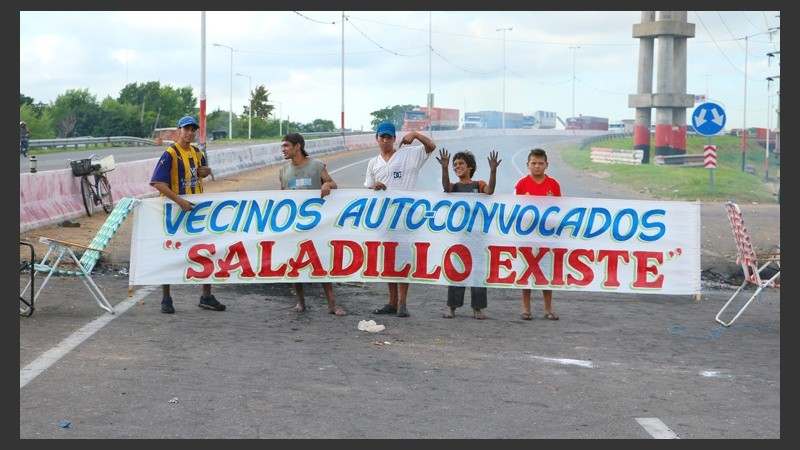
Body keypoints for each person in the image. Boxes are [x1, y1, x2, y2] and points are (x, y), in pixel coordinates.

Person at [149, 115, 226, 314]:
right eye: (187, 129)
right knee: (170, 251)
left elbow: (202, 173)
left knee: (205, 250)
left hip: (195, 210)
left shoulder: (197, 152)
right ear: (179, 131)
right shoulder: (170, 154)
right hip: (175, 211)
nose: (190, 133)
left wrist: (206, 171)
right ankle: (166, 297)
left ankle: (206, 295)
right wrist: (179, 200)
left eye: (193, 130)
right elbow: (157, 183)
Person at [364, 121, 436, 318]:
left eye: (389, 137)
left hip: (406, 217)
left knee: (404, 258)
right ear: (377, 139)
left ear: (394, 139)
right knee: (388, 259)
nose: (385, 140)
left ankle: (403, 303)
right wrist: (375, 187)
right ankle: (392, 301)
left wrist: (415, 134)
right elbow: (368, 188)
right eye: (382, 137)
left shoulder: (409, 155)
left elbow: (431, 147)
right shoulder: (374, 163)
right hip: (384, 218)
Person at [278, 132, 346, 316]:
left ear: (297, 146)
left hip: (317, 225)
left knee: (321, 262)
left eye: (286, 146)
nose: (283, 150)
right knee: (295, 263)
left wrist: (327, 185)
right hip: (294, 225)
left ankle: (332, 304)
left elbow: (333, 183)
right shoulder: (283, 171)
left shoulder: (317, 165)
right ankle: (300, 302)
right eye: (282, 146)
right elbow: (282, 197)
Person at [437, 148, 500, 320]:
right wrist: (444, 168)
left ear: (470, 167)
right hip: (460, 236)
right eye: (455, 164)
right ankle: (452, 306)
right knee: (457, 270)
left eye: (461, 163)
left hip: (478, 237)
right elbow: (445, 187)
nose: (457, 166)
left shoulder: (478, 185)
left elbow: (490, 190)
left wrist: (493, 170)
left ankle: (477, 308)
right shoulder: (455, 187)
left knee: (478, 272)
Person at [513, 148, 561, 321]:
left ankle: (548, 308)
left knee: (546, 273)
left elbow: (559, 210)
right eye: (534, 163)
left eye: (541, 163)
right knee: (527, 271)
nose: (537, 166)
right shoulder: (521, 185)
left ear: (546, 165)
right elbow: (514, 209)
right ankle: (526, 308)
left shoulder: (553, 184)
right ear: (528, 165)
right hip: (527, 236)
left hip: (546, 236)